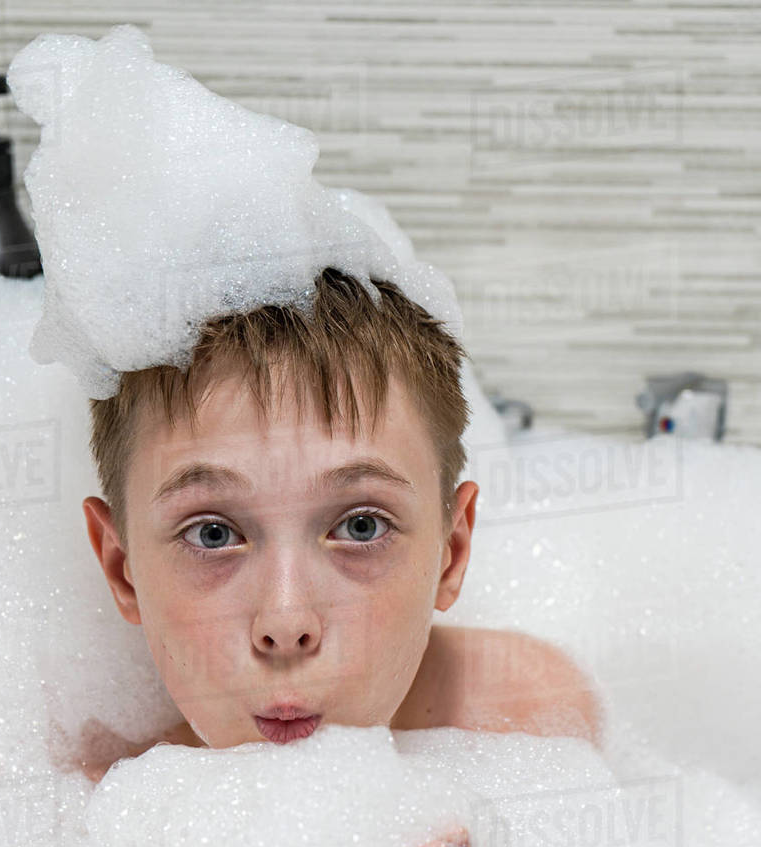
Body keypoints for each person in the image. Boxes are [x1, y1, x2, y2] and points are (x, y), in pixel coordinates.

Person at [61, 266, 601, 791]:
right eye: (213, 535)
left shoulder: (531, 717)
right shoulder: (100, 799)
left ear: (450, 554)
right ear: (122, 570)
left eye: (361, 527)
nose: (287, 621)